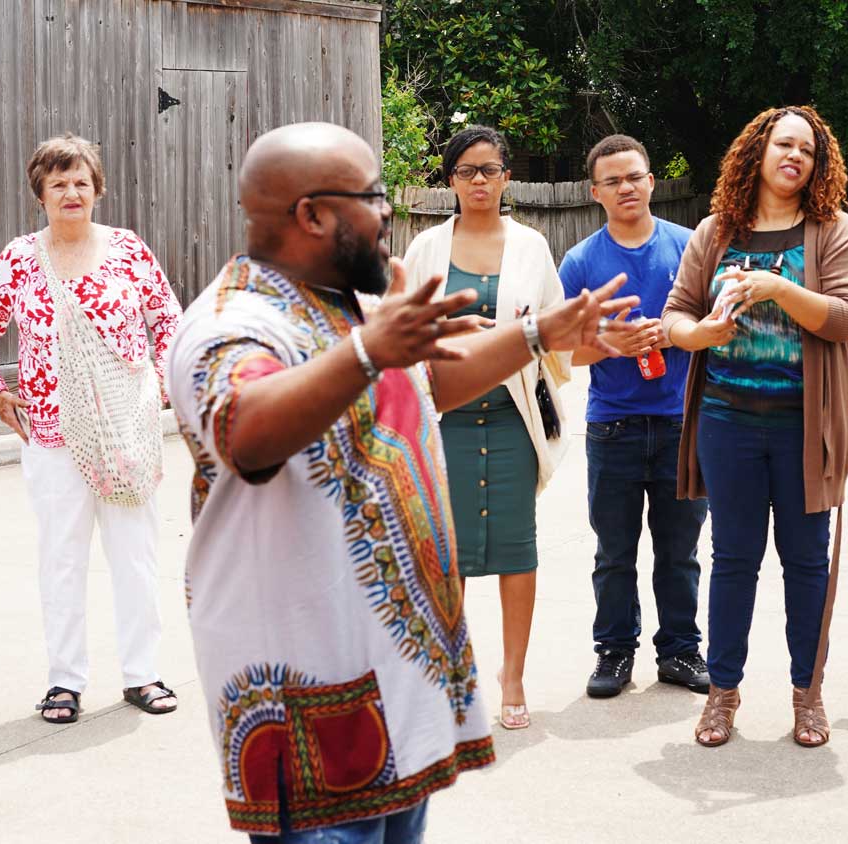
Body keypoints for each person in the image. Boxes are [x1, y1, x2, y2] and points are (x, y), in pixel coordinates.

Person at [166, 122, 636, 842]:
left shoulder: (348, 306)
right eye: (372, 196)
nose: (388, 211)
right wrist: (367, 351)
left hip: (389, 694)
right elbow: (245, 431)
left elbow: (428, 383)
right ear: (312, 214)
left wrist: (540, 335)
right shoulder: (233, 323)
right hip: (307, 707)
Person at [662, 106, 848, 748]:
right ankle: (722, 693)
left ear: (818, 165)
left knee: (806, 562)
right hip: (726, 421)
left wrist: (777, 289)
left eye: (807, 150)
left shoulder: (832, 231)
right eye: (784, 144)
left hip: (805, 425)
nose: (795, 156)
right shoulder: (715, 232)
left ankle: (808, 695)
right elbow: (675, 316)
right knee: (733, 559)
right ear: (758, 151)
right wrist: (701, 333)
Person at [0, 132, 182, 724]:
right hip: (52, 435)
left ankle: (142, 674)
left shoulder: (128, 250)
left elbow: (168, 320)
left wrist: (165, 386)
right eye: (58, 183)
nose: (71, 193)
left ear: (97, 189)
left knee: (134, 556)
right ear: (40, 193)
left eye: (81, 182)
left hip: (125, 434)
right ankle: (64, 682)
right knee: (61, 559)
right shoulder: (19, 258)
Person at [402, 126, 570, 730]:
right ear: (450, 180)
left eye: (490, 170)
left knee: (517, 550)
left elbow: (556, 331)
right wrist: (448, 334)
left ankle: (513, 675)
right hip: (443, 419)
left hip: (511, 418)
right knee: (442, 555)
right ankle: (447, 673)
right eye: (467, 170)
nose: (479, 180)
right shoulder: (424, 248)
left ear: (506, 178)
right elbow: (402, 331)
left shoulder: (531, 246)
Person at [560, 134, 710, 699]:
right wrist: (611, 344)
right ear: (594, 192)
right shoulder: (580, 261)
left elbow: (717, 329)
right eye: (612, 181)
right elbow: (560, 353)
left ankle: (679, 651)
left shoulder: (689, 248)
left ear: (651, 182)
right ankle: (614, 651)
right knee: (614, 552)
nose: (625, 187)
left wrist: (676, 334)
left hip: (681, 423)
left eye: (633, 177)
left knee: (681, 552)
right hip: (613, 426)